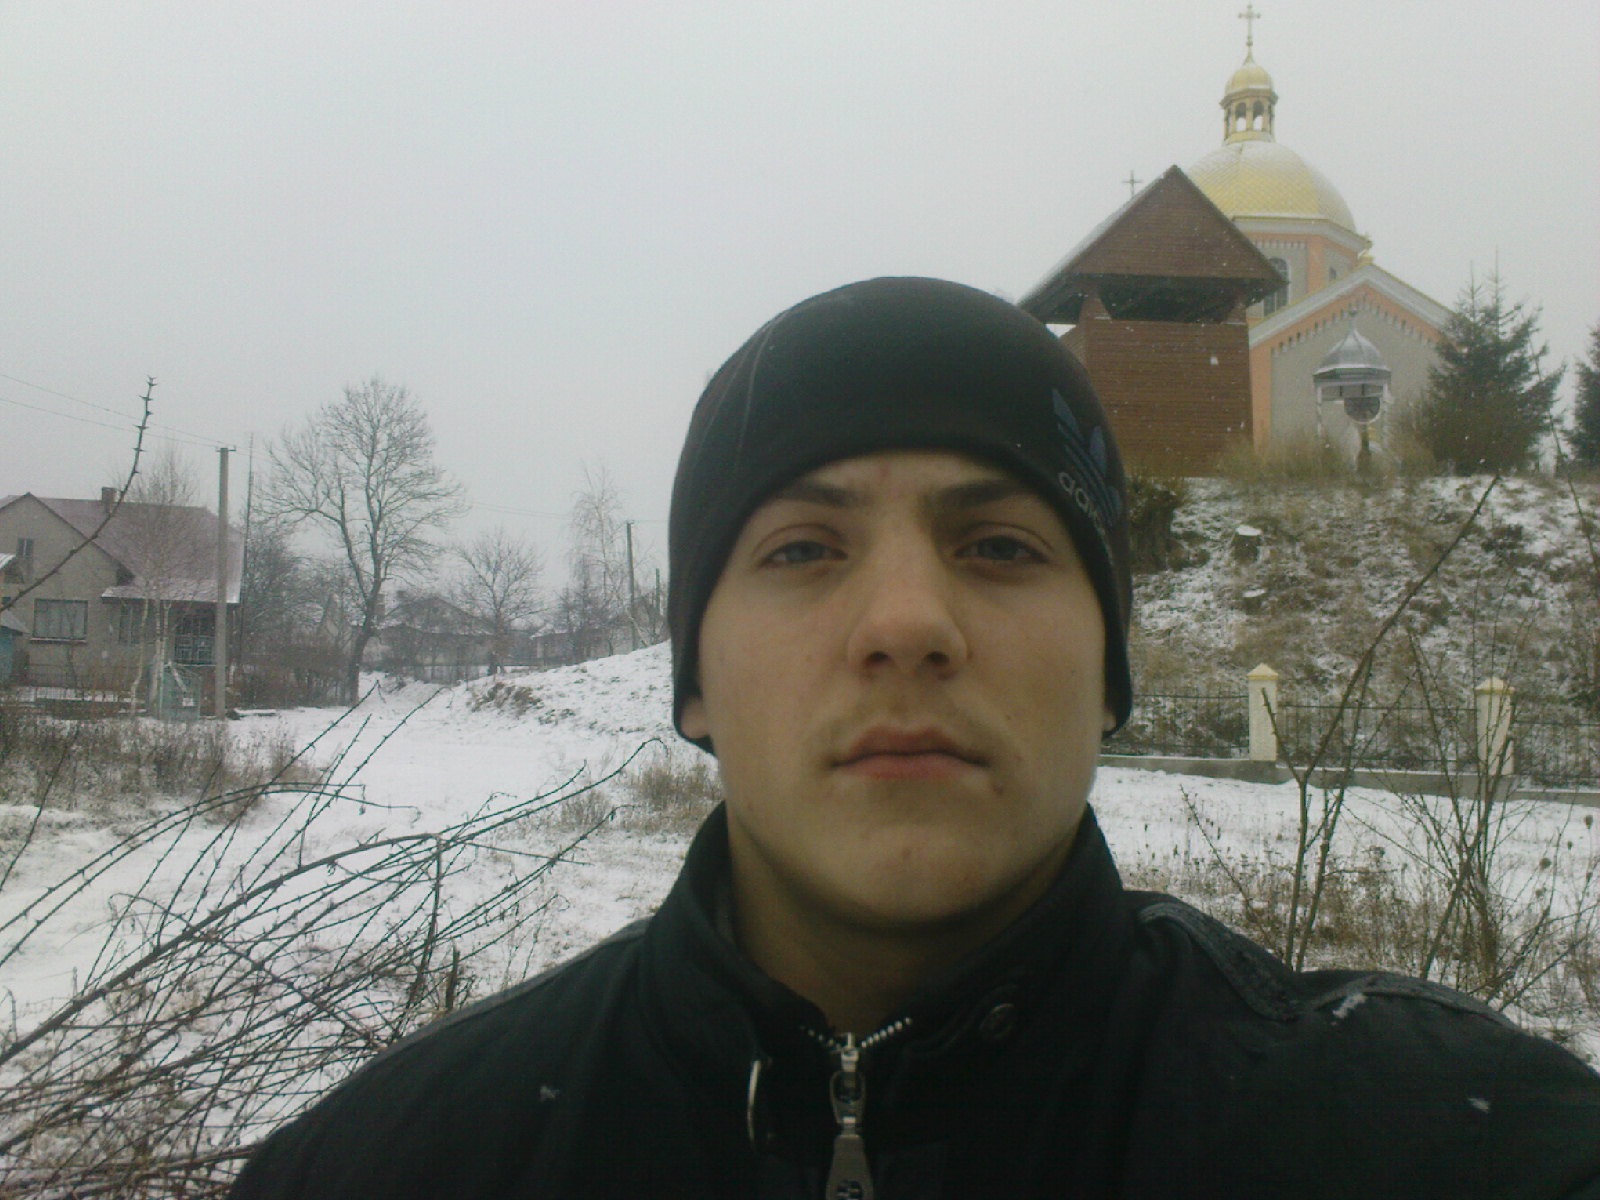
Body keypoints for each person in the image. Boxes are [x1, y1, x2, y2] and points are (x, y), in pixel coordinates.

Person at [231, 278, 1600, 1199]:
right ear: (694, 681)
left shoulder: (1441, 1149)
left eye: (999, 545)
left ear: (1109, 673)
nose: (905, 625)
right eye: (803, 548)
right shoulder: (390, 1169)